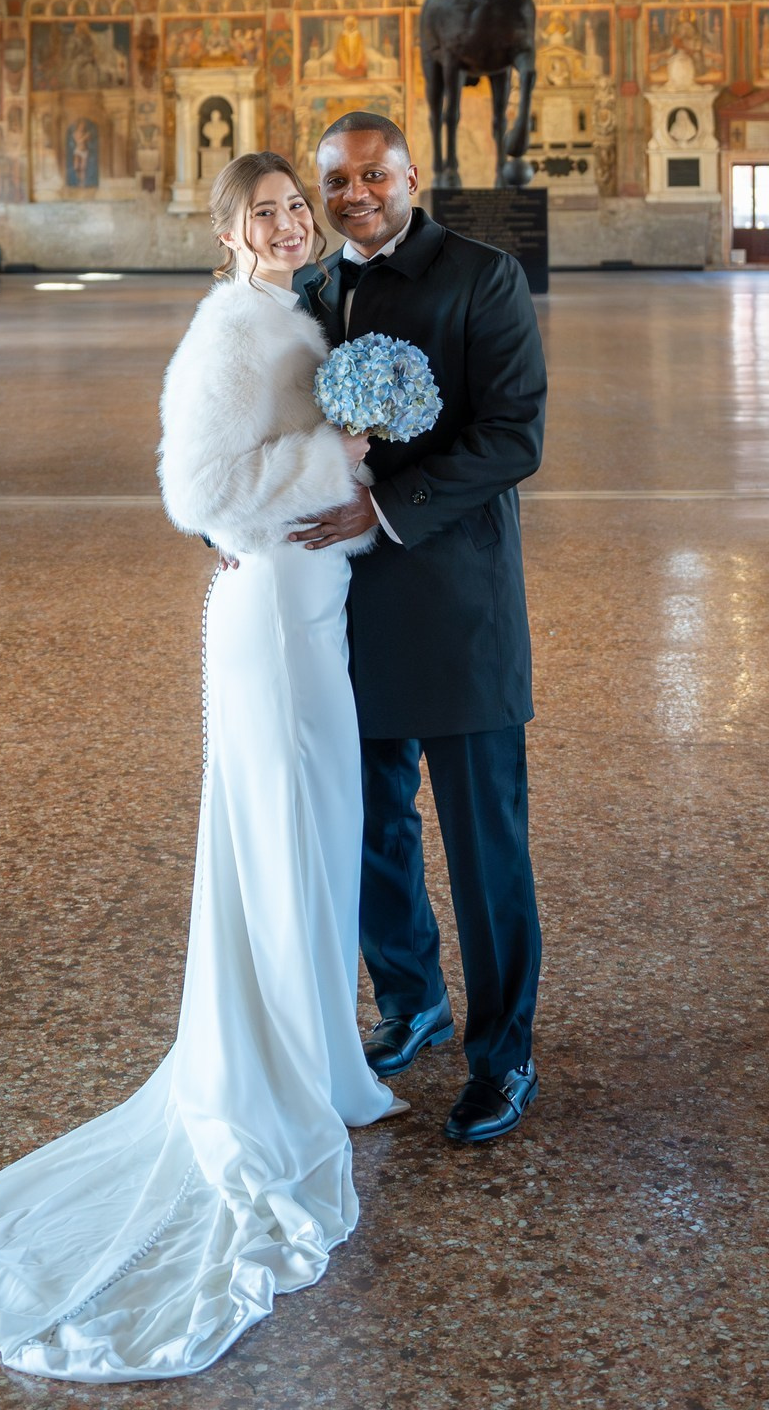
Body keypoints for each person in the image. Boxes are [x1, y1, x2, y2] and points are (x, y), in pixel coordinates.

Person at [0, 152, 399, 1382]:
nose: (291, 222)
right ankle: (274, 1068)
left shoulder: (294, 314)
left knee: (317, 819)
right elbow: (194, 490)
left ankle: (319, 1051)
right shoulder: (228, 328)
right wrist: (336, 458)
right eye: (267, 212)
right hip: (266, 612)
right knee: (276, 825)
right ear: (228, 229)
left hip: (313, 607)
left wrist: (339, 451)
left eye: (298, 206)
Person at [292, 112, 548, 1146]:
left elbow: (512, 434)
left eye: (371, 175)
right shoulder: (308, 291)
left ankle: (503, 1052)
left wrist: (386, 507)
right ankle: (411, 999)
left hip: (455, 602)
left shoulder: (481, 276)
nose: (353, 194)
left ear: (410, 174)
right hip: (335, 608)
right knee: (368, 827)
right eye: (335, 181)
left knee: (484, 840)